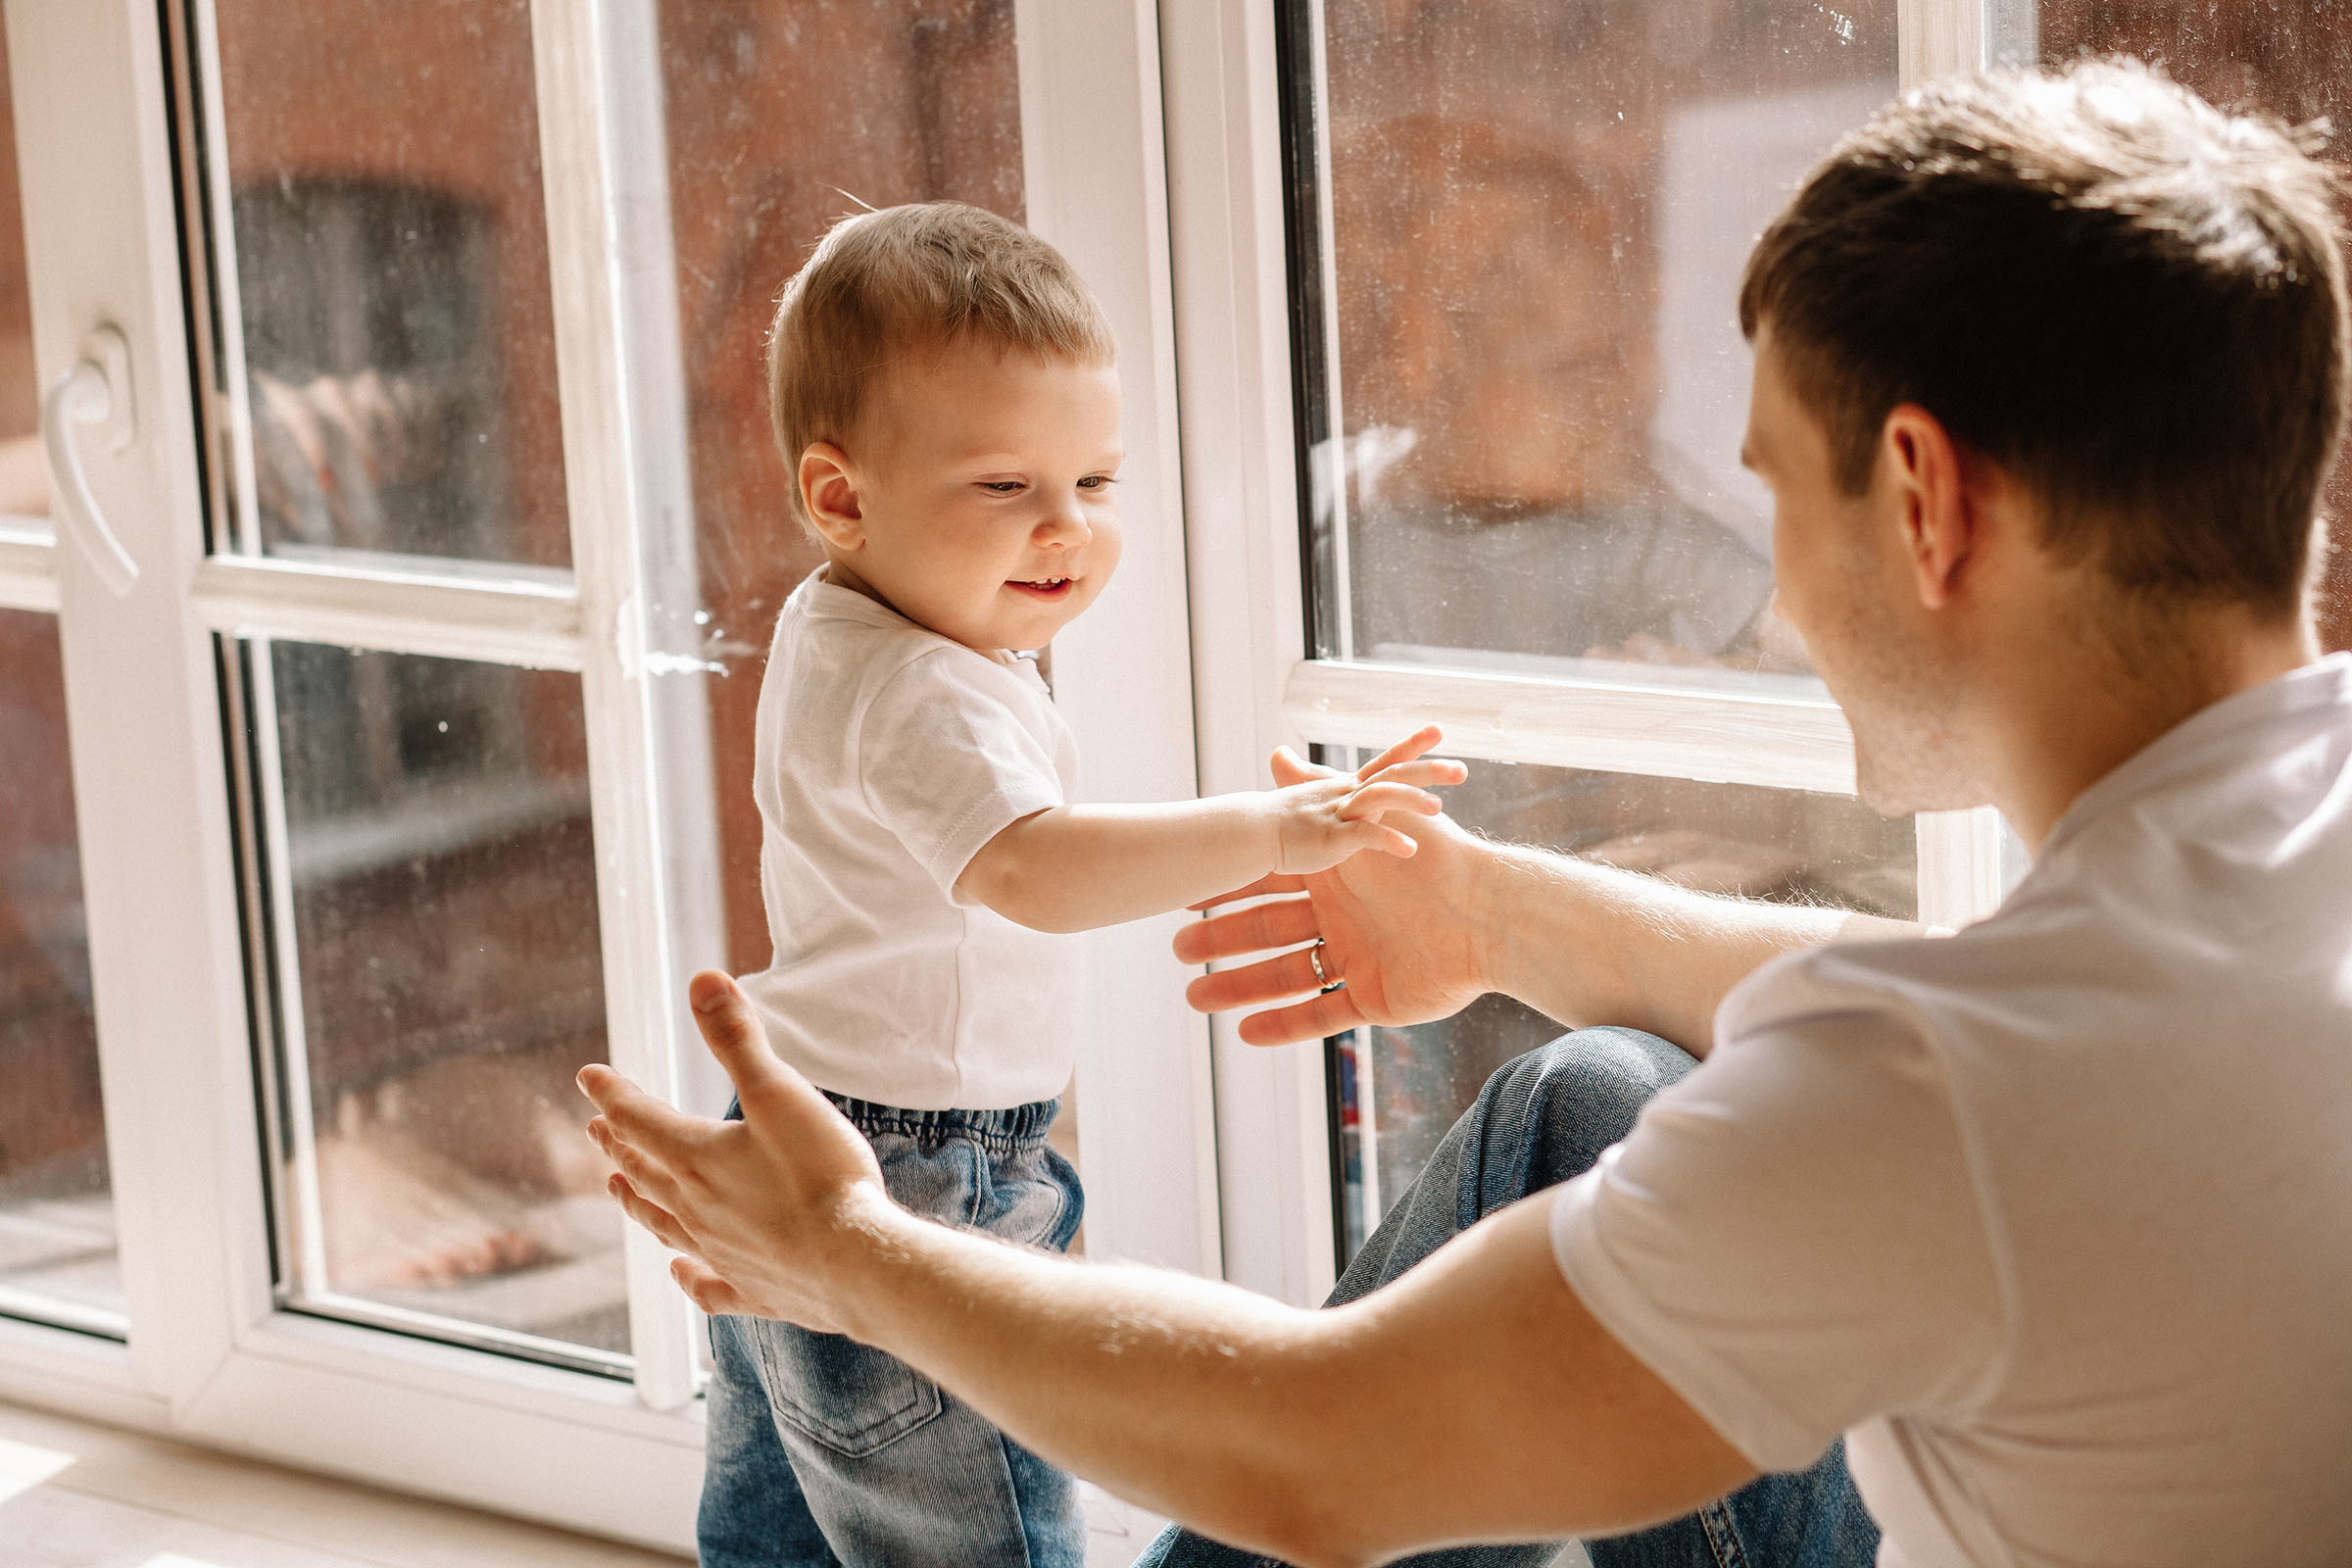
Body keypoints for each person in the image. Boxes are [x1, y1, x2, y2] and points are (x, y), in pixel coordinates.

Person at [581, 62, 2352, 1567]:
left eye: (1770, 498)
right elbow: (1972, 993)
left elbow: (1320, 1450)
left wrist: (850, 1256)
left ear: (1923, 500)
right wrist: (1504, 914)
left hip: (1166, 1361)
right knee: (1599, 1092)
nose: (1779, 600)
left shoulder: (1936, 1106)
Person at [693, 200, 1461, 1568]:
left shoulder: (844, 618)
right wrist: (1278, 832)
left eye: (1094, 484)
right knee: (975, 1524)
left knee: (783, 1523)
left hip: (798, 1126)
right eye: (1004, 487)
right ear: (840, 496)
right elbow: (1033, 869)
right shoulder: (925, 686)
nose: (1064, 530)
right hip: (922, 1174)